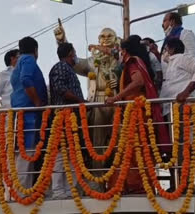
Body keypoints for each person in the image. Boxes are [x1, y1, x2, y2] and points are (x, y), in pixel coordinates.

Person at [54, 24, 121, 192]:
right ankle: (97, 182)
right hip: (97, 102)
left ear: (116, 39)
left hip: (117, 103)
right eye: (102, 37)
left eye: (109, 36)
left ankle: (118, 182)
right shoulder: (91, 61)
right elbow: (73, 62)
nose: (105, 40)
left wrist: (118, 82)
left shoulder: (120, 58)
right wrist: (62, 40)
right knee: (96, 144)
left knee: (119, 142)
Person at [106, 35, 171, 194]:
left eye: (121, 50)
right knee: (136, 149)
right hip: (136, 111)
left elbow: (138, 81)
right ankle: (135, 185)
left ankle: (135, 186)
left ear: (125, 51)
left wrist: (116, 97)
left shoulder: (132, 62)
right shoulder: (140, 61)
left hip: (136, 112)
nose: (120, 54)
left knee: (135, 149)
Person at [10, 36, 48, 191]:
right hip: (29, 115)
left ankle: (25, 192)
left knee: (25, 155)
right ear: (36, 50)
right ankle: (22, 194)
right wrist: (37, 102)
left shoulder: (19, 63)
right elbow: (26, 80)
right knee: (26, 155)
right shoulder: (28, 60)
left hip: (23, 114)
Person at [49, 43, 85, 199]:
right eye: (75, 52)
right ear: (70, 53)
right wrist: (81, 101)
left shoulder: (69, 69)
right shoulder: (60, 67)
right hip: (62, 116)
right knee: (60, 153)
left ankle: (70, 190)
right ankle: (58, 190)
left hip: (72, 116)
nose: (76, 55)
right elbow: (60, 89)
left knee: (71, 153)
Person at [160, 38, 195, 115]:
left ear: (172, 50)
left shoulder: (182, 58)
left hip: (183, 107)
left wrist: (186, 92)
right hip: (170, 108)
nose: (163, 54)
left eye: (165, 50)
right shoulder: (170, 64)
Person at [160, 12, 195, 79]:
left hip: (181, 79)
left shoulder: (185, 33)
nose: (162, 24)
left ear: (172, 21)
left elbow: (193, 53)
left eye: (164, 21)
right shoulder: (167, 41)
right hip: (167, 80)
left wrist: (179, 70)